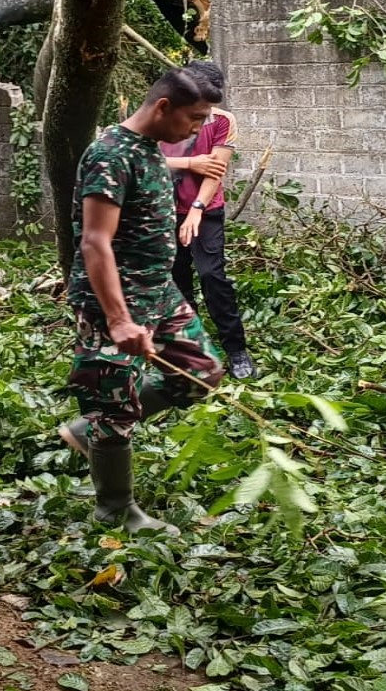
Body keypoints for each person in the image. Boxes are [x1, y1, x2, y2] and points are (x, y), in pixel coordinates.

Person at [58, 67, 227, 533]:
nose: (198, 128)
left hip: (159, 292)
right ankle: (114, 509)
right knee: (113, 409)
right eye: (194, 118)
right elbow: (95, 242)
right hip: (116, 301)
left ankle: (85, 433)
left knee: (202, 374)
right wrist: (117, 320)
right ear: (163, 107)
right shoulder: (109, 155)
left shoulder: (151, 149)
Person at [161, 61, 256, 380]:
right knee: (176, 279)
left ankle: (236, 349)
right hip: (164, 210)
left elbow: (215, 170)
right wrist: (190, 162)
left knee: (212, 276)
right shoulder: (164, 113)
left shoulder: (222, 120)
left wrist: (198, 208)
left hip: (205, 210)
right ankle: (193, 349)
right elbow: (145, 157)